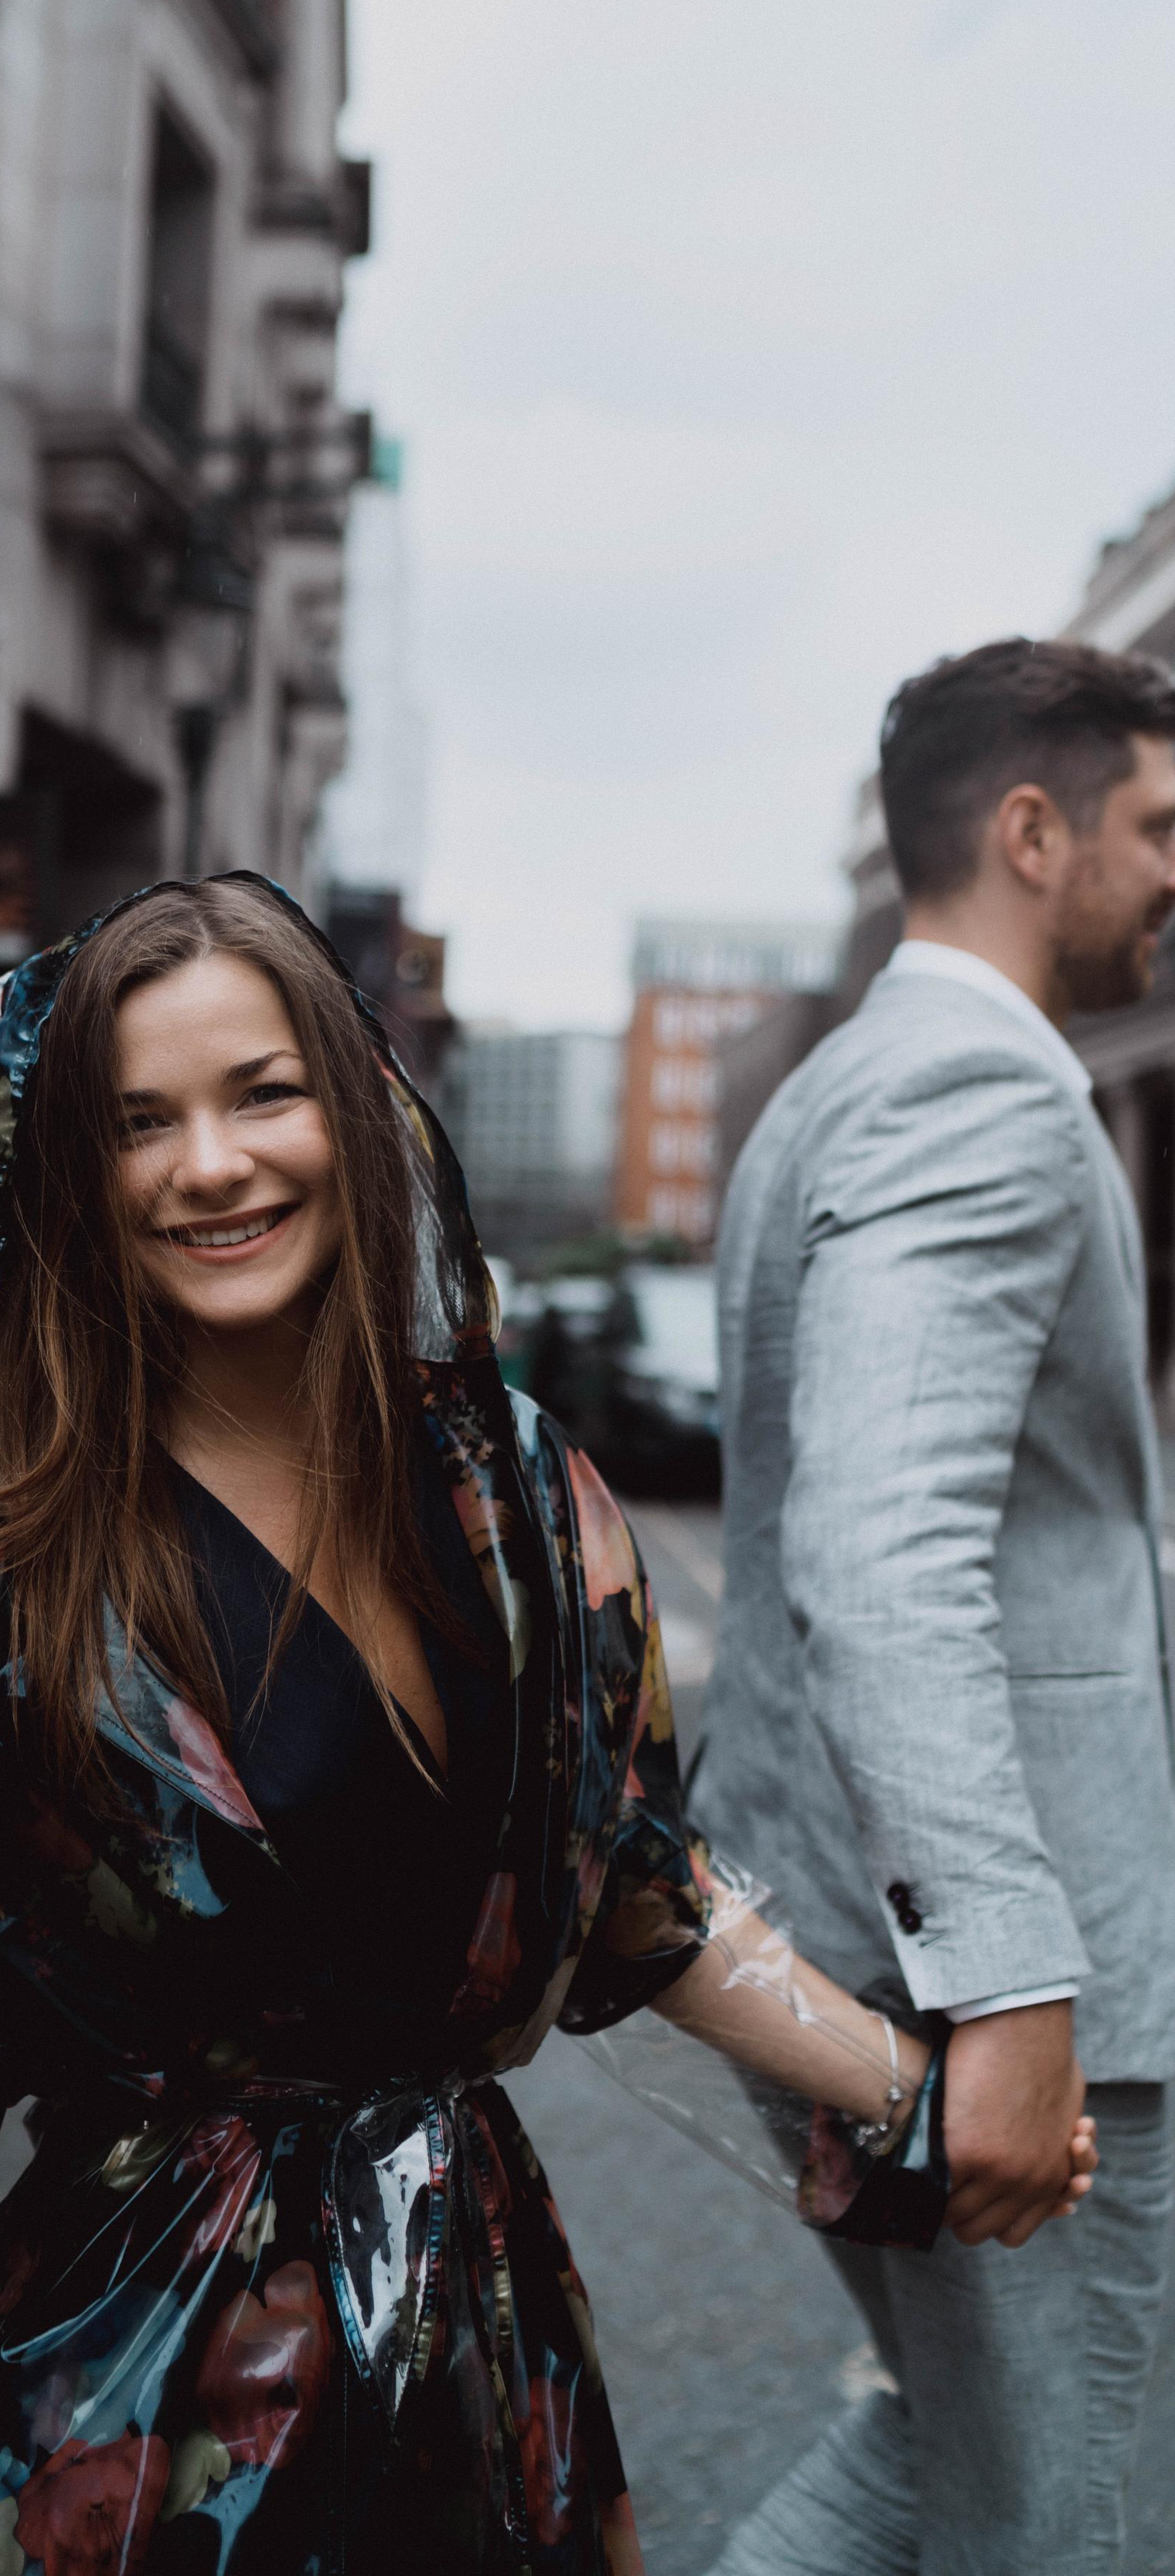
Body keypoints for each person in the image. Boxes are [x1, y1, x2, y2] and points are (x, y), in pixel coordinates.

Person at [0, 876, 1086, 2576]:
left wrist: (916, 2087)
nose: (208, 1163)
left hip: (474, 2352)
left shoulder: (517, 1498)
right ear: (70, 1173)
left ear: (361, 1117)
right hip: (124, 2420)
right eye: (137, 1120)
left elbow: (625, 1896)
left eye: (261, 1091)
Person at [695, 638, 1175, 2576]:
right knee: (1074, 2514)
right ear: (1030, 827)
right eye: (1156, 827)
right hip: (982, 1979)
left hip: (848, 1925)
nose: (1172, 874)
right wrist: (1009, 1986)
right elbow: (885, 1550)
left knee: (972, 2458)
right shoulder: (976, 1089)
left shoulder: (842, 1083)